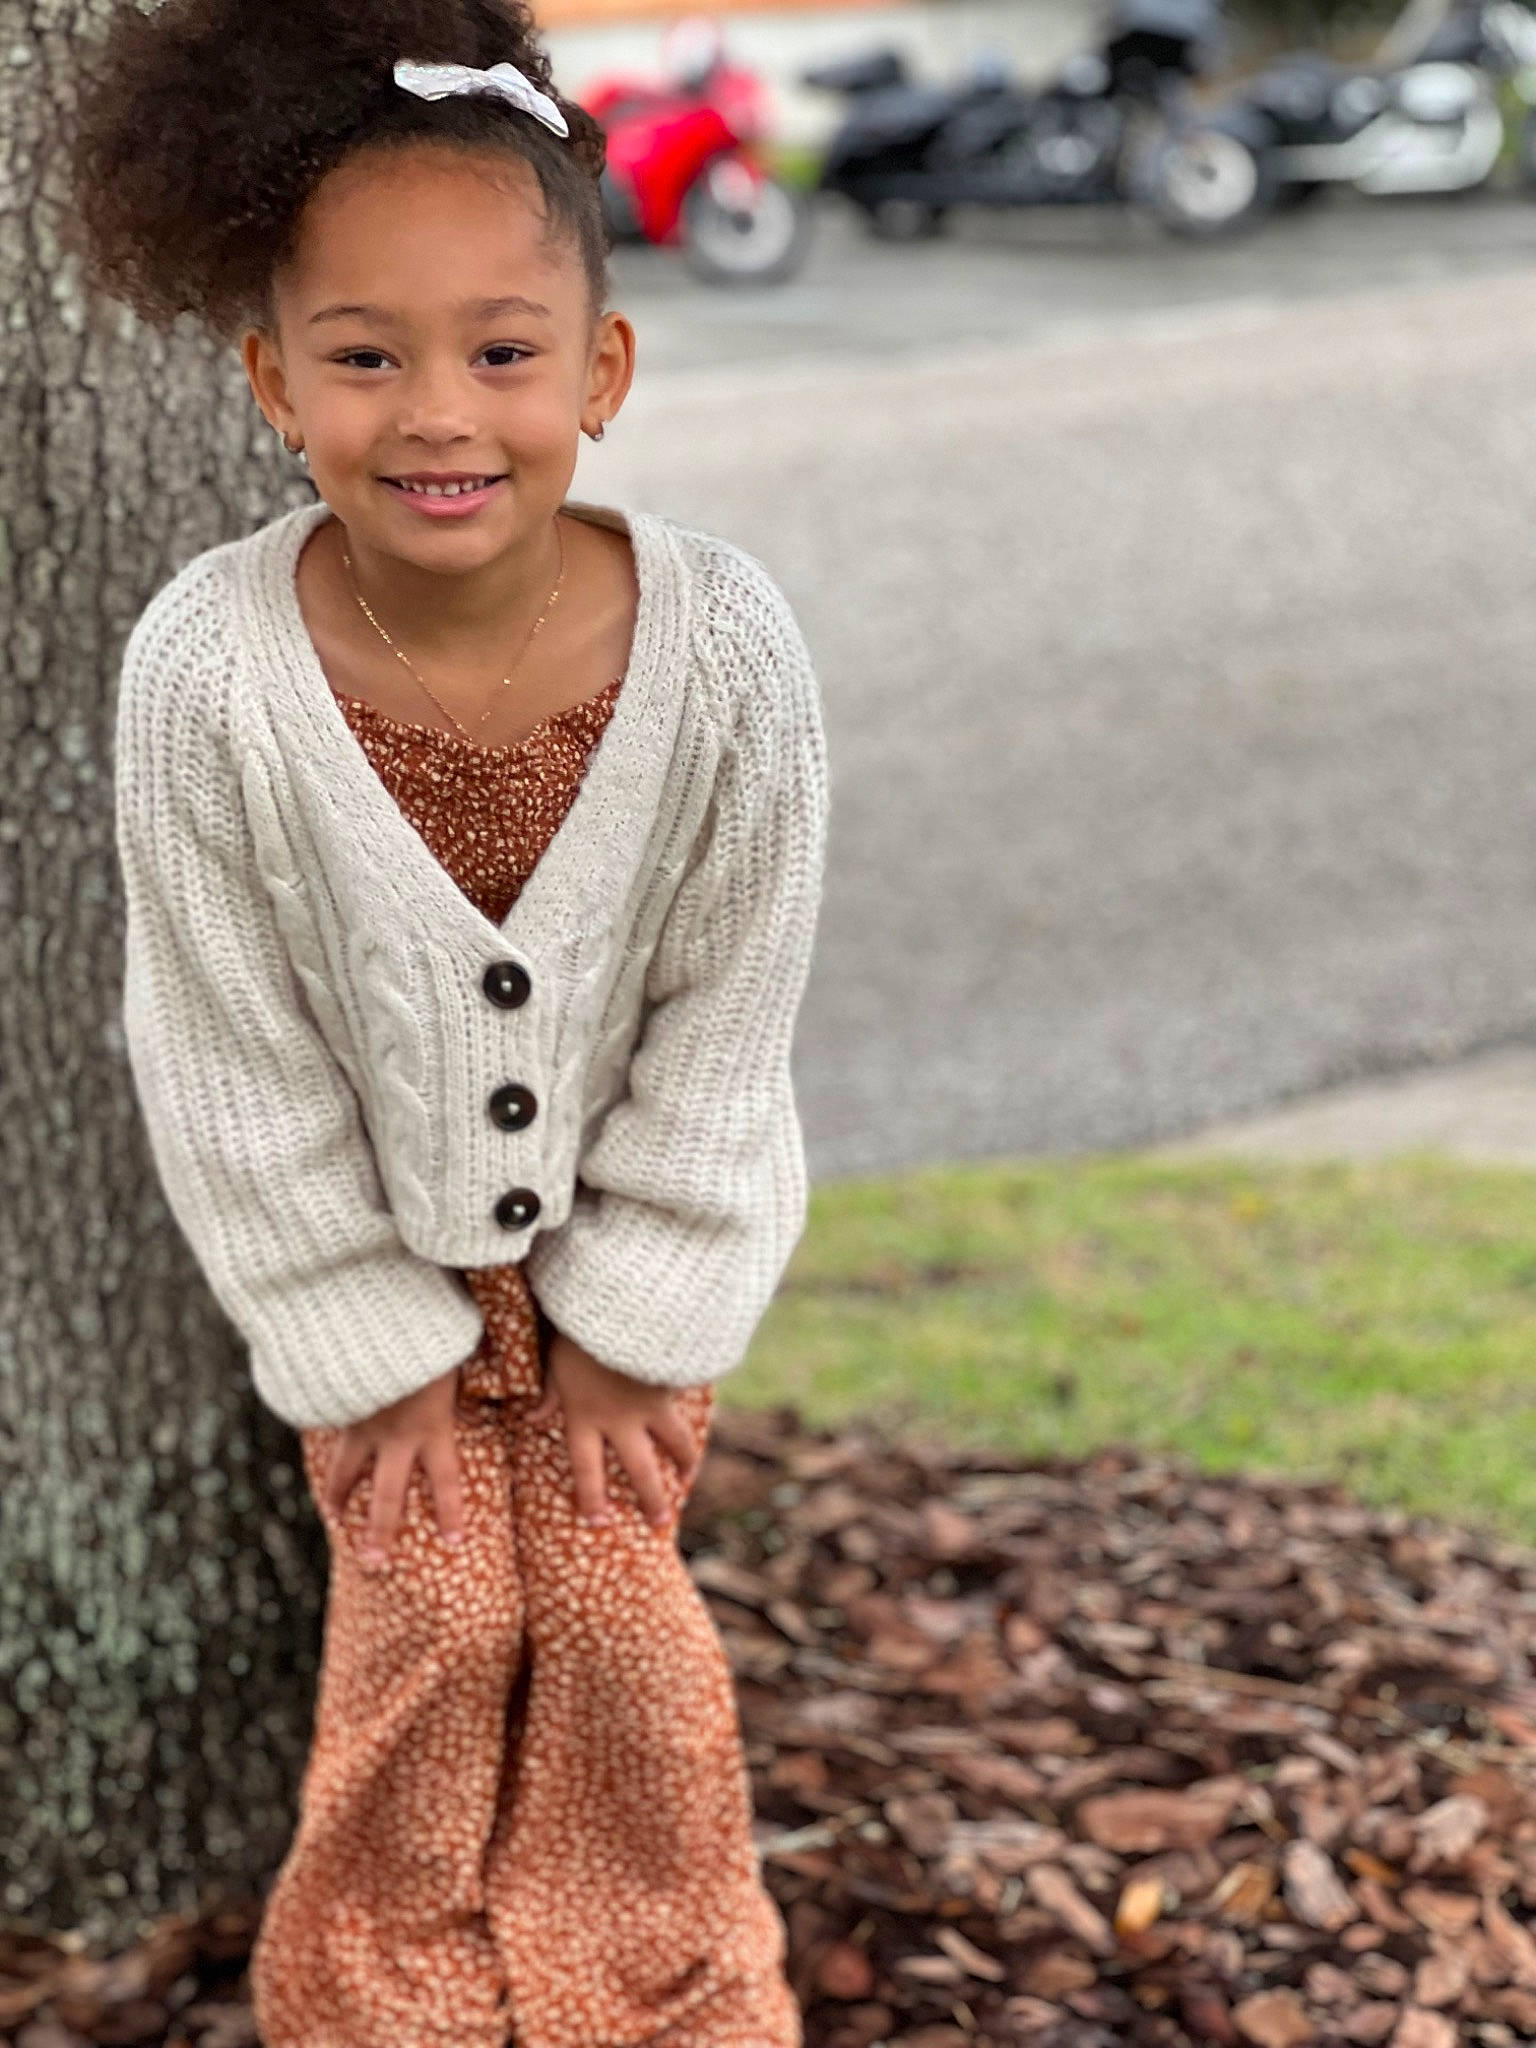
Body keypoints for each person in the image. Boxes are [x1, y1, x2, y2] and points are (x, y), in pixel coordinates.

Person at [70, 2, 829, 2043]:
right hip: (381, 1297)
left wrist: (635, 1322)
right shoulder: (209, 673)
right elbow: (220, 1039)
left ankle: (657, 1992)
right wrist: (367, 1349)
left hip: (616, 1291)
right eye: (363, 354)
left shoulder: (729, 649)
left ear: (602, 369)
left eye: (502, 351)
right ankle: (380, 2000)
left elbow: (729, 1007)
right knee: (421, 1638)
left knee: (625, 1646)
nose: (439, 412)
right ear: (265, 380)